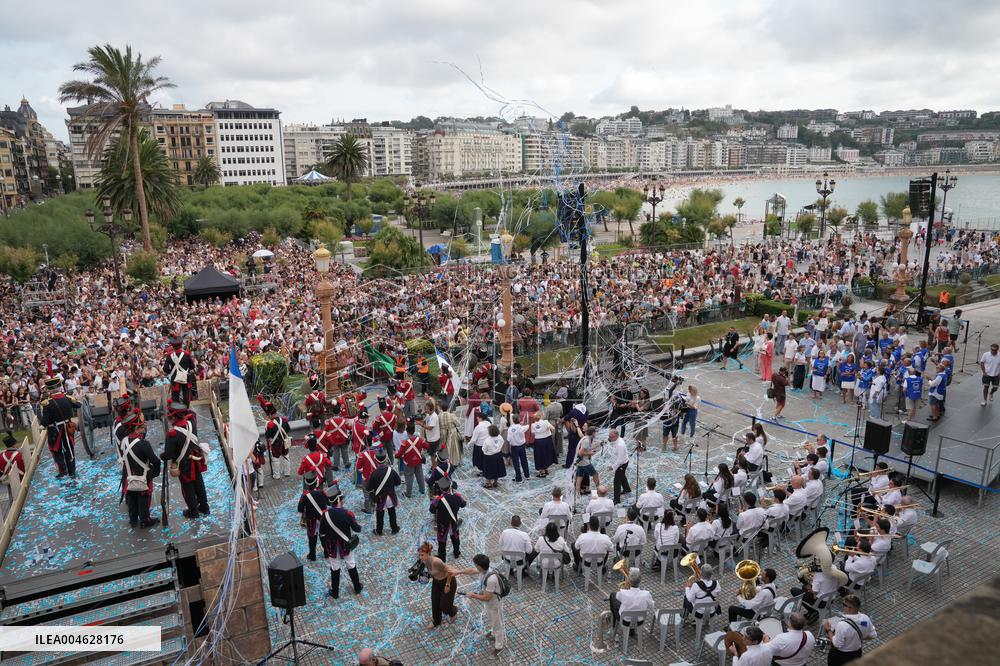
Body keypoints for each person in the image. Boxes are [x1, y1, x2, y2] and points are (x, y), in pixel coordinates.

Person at [161, 403, 209, 519]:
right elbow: (191, 413)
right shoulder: (191, 423)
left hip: (184, 464)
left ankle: (193, 512)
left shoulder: (172, 434)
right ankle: (204, 507)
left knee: (188, 488)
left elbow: (168, 455)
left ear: (173, 416)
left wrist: (162, 456)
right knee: (199, 484)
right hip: (196, 461)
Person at [457, 554, 507, 656]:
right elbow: (471, 571)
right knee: (492, 620)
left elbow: (487, 597)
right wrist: (459, 572)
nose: (475, 567)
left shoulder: (491, 579)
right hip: (489, 603)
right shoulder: (484, 571)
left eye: (476, 565)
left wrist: (473, 595)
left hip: (494, 603)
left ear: (479, 566)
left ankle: (499, 645)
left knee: (497, 623)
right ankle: (493, 634)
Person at [320, 483, 363, 599]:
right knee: (351, 564)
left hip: (332, 546)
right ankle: (357, 587)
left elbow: (322, 532)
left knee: (335, 567)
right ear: (339, 499)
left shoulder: (325, 515)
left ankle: (335, 592)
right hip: (346, 545)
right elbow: (357, 529)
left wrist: (324, 546)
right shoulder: (347, 513)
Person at [119, 414, 161, 529]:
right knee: (144, 497)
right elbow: (155, 461)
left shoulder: (124, 441)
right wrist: (156, 472)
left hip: (129, 475)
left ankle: (133, 520)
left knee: (132, 496)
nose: (144, 427)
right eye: (142, 426)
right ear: (136, 428)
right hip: (143, 475)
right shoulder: (144, 444)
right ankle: (144, 520)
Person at [39, 377, 80, 479]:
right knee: (69, 449)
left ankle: (62, 470)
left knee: (56, 451)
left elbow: (45, 420)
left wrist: (42, 425)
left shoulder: (47, 403)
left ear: (49, 389)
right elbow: (78, 405)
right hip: (67, 428)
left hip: (54, 430)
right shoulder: (68, 398)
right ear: (59, 386)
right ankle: (72, 471)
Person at [823, 593, 877, 666]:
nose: (843, 607)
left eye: (844, 605)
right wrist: (858, 638)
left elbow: (837, 644)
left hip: (841, 656)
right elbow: (873, 635)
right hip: (857, 653)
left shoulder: (842, 625)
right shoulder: (865, 619)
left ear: (849, 608)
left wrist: (828, 630)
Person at [418, 541, 459, 629]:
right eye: (419, 555)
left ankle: (453, 611)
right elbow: (429, 573)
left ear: (428, 553)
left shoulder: (437, 562)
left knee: (444, 605)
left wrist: (447, 585)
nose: (420, 557)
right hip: (436, 582)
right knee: (435, 601)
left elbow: (450, 571)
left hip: (448, 581)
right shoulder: (424, 562)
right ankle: (436, 621)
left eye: (422, 555)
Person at [367, 448, 401, 536]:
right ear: (386, 459)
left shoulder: (374, 473)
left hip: (380, 497)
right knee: (392, 512)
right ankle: (394, 528)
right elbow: (398, 482)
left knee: (380, 514)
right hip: (390, 496)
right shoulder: (391, 471)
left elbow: (369, 488)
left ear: (376, 460)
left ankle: (379, 530)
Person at [430, 477, 466, 561]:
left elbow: (431, 510)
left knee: (442, 540)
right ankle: (456, 552)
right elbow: (463, 504)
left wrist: (434, 500)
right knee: (455, 537)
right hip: (454, 521)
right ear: (450, 487)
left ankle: (442, 557)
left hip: (443, 523)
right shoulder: (457, 496)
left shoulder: (438, 500)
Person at [296, 474, 329, 561]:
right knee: (323, 536)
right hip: (322, 518)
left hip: (311, 520)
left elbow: (300, 509)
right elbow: (329, 503)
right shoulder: (322, 493)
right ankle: (326, 553)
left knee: (312, 538)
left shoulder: (304, 495)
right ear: (316, 482)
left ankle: (312, 555)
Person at [395, 421, 428, 498]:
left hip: (409, 463)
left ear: (407, 431)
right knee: (419, 475)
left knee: (409, 478)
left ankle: (408, 493)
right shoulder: (420, 440)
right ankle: (422, 489)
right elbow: (427, 446)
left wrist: (396, 455)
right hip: (418, 461)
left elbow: (399, 454)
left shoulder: (405, 443)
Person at [163, 336, 196, 406]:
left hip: (175, 378)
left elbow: (165, 369)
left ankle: (177, 412)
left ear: (173, 345)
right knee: (186, 394)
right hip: (185, 376)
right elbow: (192, 366)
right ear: (181, 344)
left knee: (175, 396)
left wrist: (172, 372)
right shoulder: (186, 354)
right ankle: (186, 409)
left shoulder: (169, 355)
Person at [263, 399, 292, 479]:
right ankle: (287, 472)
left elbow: (267, 436)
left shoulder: (270, 424)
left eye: (268, 415)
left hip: (276, 443)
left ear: (270, 414)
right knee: (286, 456)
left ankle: (277, 475)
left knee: (276, 459)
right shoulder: (284, 420)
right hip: (285, 441)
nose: (268, 417)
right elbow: (288, 430)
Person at [574, 427, 601, 496]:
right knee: (595, 474)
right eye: (595, 432)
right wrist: (590, 453)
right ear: (593, 433)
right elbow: (580, 453)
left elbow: (588, 448)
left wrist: (599, 445)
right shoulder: (586, 441)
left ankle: (577, 494)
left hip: (580, 462)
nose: (596, 434)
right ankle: (599, 489)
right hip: (584, 462)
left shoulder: (585, 438)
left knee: (579, 478)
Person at [606, 429, 631, 504]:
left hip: (622, 464)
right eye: (609, 436)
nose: (609, 438)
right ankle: (627, 489)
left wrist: (612, 467)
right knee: (622, 476)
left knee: (617, 481)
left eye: (611, 437)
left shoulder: (620, 445)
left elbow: (619, 460)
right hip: (621, 462)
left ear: (616, 436)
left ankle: (617, 499)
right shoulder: (615, 440)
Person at [530, 411, 556, 477]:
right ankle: (545, 469)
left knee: (539, 456)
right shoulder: (545, 422)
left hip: (538, 441)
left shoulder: (533, 425)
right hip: (547, 440)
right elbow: (553, 428)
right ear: (541, 416)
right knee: (546, 454)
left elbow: (532, 432)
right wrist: (551, 435)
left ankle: (542, 471)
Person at [481, 424, 506, 489]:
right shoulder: (500, 437)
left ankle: (488, 484)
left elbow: (484, 449)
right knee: (497, 468)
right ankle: (495, 481)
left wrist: (487, 452)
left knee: (489, 470)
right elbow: (502, 442)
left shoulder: (487, 440)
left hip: (489, 457)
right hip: (498, 455)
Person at [505, 416, 530, 483]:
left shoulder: (510, 428)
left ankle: (518, 478)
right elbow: (527, 426)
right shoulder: (522, 427)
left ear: (513, 421)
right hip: (522, 446)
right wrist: (522, 424)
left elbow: (508, 439)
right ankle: (527, 475)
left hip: (514, 447)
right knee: (524, 461)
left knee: (516, 463)